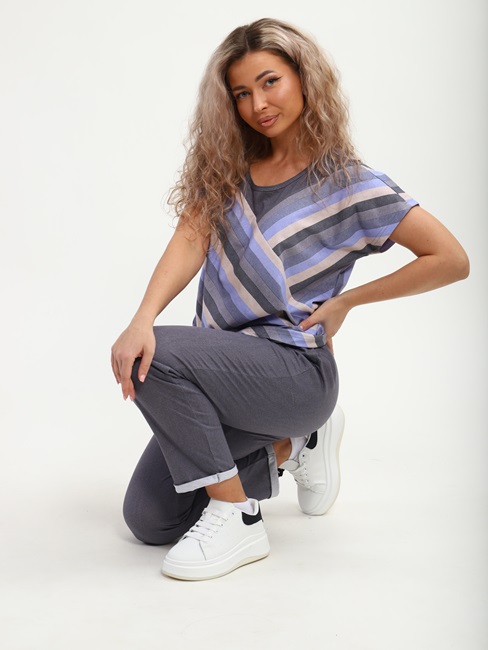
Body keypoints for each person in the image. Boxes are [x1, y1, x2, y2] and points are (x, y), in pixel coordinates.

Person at [111, 18, 469, 581]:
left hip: (297, 371)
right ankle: (291, 446)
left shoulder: (348, 182)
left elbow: (451, 258)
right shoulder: (227, 172)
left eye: (269, 81)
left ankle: (239, 515)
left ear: (305, 78)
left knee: (157, 357)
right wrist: (142, 316)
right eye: (241, 93)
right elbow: (188, 240)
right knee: (151, 520)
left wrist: (349, 302)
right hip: (230, 373)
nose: (257, 104)